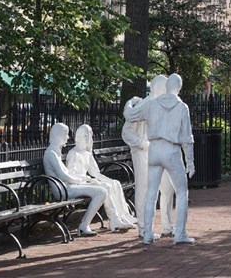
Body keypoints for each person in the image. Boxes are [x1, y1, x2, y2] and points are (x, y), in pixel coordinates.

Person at [124, 73, 196, 245]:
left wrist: (129, 102)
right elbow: (187, 137)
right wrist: (190, 161)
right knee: (182, 192)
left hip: (154, 150)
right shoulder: (182, 107)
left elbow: (130, 115)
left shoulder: (151, 104)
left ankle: (147, 234)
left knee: (151, 193)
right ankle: (180, 233)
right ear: (179, 87)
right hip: (171, 151)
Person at [122, 75, 176, 239]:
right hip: (143, 153)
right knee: (144, 190)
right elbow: (126, 132)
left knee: (167, 188)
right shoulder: (144, 105)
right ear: (157, 88)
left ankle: (167, 225)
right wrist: (143, 144)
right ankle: (144, 228)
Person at [66, 124, 137, 232]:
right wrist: (89, 179)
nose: (87, 138)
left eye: (88, 136)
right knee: (106, 187)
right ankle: (114, 219)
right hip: (78, 184)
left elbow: (96, 173)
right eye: (84, 136)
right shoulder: (74, 153)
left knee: (115, 183)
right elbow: (71, 175)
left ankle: (123, 215)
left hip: (86, 181)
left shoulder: (87, 154)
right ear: (77, 137)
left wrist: (110, 180)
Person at [42, 123, 106, 237]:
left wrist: (85, 179)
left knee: (101, 189)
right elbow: (64, 176)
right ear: (57, 135)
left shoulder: (55, 152)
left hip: (67, 187)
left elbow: (67, 174)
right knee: (101, 192)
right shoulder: (51, 153)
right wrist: (83, 181)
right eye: (65, 134)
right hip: (62, 190)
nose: (67, 137)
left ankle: (84, 225)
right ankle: (83, 226)